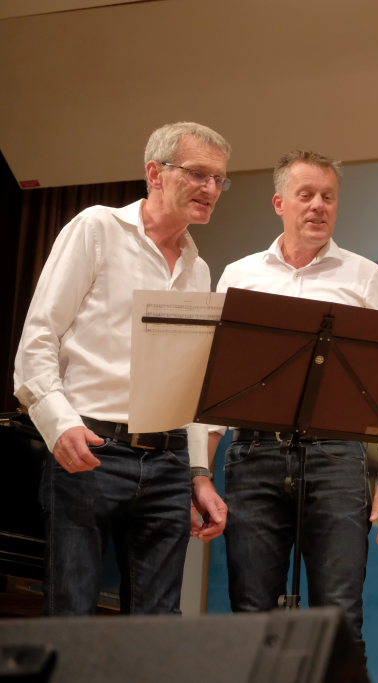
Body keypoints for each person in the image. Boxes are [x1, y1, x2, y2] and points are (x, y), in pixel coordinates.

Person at [13, 121, 231, 615]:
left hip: (168, 461)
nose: (211, 188)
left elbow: (190, 383)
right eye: (199, 174)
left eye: (219, 179)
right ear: (155, 173)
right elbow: (38, 338)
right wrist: (59, 425)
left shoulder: (198, 269)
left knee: (154, 632)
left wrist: (199, 473)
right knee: (71, 619)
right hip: (90, 447)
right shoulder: (97, 229)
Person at [209, 150, 378, 648]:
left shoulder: (365, 276)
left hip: (337, 457)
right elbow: (210, 385)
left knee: (340, 619)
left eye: (328, 197)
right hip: (253, 455)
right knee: (251, 618)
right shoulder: (239, 274)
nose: (319, 205)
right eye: (306, 195)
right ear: (280, 202)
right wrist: (199, 473)